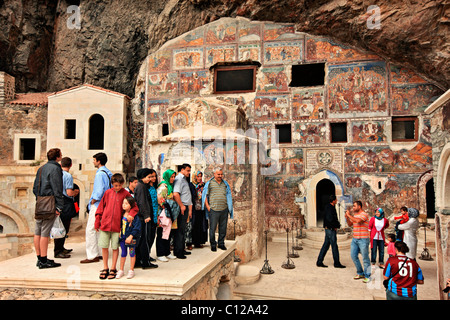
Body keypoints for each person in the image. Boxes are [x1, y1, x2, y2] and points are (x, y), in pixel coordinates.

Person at [94, 173, 138, 279]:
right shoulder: (108, 193)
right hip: (105, 224)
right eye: (115, 185)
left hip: (117, 227)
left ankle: (113, 267)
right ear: (112, 184)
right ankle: (105, 267)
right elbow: (100, 208)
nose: (117, 187)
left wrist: (131, 215)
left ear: (122, 183)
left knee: (115, 247)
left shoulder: (126, 193)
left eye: (119, 185)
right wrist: (97, 221)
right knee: (104, 246)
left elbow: (134, 207)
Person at [32, 148, 64, 269]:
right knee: (45, 232)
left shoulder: (41, 168)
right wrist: (59, 206)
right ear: (57, 157)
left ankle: (39, 258)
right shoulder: (55, 168)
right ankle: (44, 260)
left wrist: (39, 198)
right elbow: (57, 188)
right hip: (50, 202)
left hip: (40, 201)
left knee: (37, 231)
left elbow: (35, 188)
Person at [81, 152, 112, 264]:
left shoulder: (100, 174)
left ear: (98, 161)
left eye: (94, 160)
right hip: (106, 204)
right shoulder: (108, 173)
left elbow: (99, 192)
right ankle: (100, 252)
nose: (93, 162)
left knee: (91, 229)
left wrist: (93, 200)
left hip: (98, 204)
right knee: (99, 229)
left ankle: (92, 255)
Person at [202, 167, 234, 252]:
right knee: (212, 228)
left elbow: (228, 195)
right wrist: (208, 207)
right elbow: (205, 195)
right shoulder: (210, 183)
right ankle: (213, 244)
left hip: (224, 209)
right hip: (214, 210)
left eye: (221, 174)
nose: (220, 176)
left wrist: (229, 207)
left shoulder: (225, 184)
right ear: (214, 174)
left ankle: (221, 243)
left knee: (223, 228)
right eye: (218, 174)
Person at [54, 157, 79, 258]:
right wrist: (76, 192)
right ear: (71, 165)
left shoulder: (57, 174)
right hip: (66, 203)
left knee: (60, 226)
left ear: (61, 165)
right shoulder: (68, 176)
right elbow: (69, 192)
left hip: (58, 201)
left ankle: (60, 248)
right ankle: (58, 250)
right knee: (64, 226)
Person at [134, 168, 158, 269]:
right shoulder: (141, 187)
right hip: (144, 218)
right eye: (148, 177)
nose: (150, 179)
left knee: (143, 240)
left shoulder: (142, 186)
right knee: (145, 239)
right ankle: (145, 262)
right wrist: (146, 216)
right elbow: (142, 202)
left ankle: (139, 260)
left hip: (142, 217)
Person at [345, 200, 371, 283]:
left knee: (365, 258)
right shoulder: (355, 215)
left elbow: (358, 221)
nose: (353, 208)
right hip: (355, 239)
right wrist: (347, 218)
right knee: (353, 256)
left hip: (363, 239)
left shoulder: (364, 214)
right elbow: (350, 224)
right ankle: (360, 272)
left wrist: (349, 215)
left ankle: (367, 275)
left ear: (359, 206)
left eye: (354, 206)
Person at [316, 195, 345, 268]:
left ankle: (319, 261)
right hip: (330, 229)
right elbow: (330, 219)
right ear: (333, 200)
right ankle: (336, 263)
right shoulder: (330, 208)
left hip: (329, 229)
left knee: (326, 245)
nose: (337, 201)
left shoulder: (328, 207)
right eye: (336, 200)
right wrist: (335, 226)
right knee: (334, 246)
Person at [156, 169, 178, 262]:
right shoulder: (163, 186)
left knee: (168, 232)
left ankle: (167, 252)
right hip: (163, 213)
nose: (173, 178)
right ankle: (160, 253)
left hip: (169, 212)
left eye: (174, 177)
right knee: (162, 232)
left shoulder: (170, 186)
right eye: (171, 177)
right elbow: (160, 200)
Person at [116, 197, 141, 279]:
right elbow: (120, 225)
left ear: (131, 205)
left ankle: (131, 270)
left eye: (126, 203)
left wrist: (131, 236)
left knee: (132, 253)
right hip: (122, 238)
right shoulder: (122, 214)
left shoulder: (134, 216)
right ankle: (121, 270)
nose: (124, 205)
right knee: (123, 253)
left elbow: (137, 227)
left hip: (131, 238)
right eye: (123, 203)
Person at [173, 164, 193, 259]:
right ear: (182, 169)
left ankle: (182, 249)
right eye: (188, 170)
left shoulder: (184, 179)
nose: (189, 172)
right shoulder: (179, 179)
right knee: (180, 230)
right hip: (182, 206)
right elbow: (176, 194)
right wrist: (181, 206)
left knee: (183, 229)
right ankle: (178, 251)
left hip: (185, 206)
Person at [191, 171, 207, 249]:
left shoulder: (203, 185)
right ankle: (191, 242)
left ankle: (199, 242)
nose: (199, 178)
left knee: (201, 225)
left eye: (200, 176)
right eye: (198, 176)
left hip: (202, 208)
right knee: (194, 225)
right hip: (194, 208)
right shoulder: (191, 185)